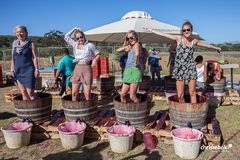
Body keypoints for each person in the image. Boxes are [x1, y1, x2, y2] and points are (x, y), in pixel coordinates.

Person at [146, 21, 221, 103]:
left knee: (192, 92)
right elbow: (164, 34)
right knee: (180, 95)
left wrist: (216, 48)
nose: (186, 32)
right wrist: (152, 31)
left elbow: (207, 45)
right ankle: (184, 111)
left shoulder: (194, 41)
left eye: (188, 29)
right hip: (180, 68)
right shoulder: (179, 39)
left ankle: (193, 113)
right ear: (182, 31)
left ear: (191, 30)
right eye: (184, 30)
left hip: (191, 68)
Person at [64, 27, 100, 101]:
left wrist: (95, 60)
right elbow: (66, 37)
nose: (80, 39)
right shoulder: (75, 44)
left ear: (84, 36)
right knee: (74, 93)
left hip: (86, 69)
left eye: (81, 37)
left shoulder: (90, 45)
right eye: (77, 38)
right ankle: (75, 109)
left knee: (87, 94)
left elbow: (98, 54)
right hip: (77, 69)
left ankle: (88, 110)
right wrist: (74, 29)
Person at [11, 25, 39, 100]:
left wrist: (36, 69)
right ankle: (28, 111)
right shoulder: (14, 44)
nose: (19, 34)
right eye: (17, 32)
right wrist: (12, 67)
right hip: (18, 70)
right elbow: (13, 57)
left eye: (21, 32)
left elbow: (34, 57)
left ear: (26, 33)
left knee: (31, 93)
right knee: (23, 92)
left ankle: (38, 108)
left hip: (28, 70)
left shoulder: (30, 44)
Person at [116, 30, 142, 103]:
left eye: (131, 37)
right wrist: (125, 47)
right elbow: (117, 50)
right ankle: (125, 112)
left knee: (132, 96)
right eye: (128, 38)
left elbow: (137, 54)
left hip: (134, 70)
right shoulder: (130, 46)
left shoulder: (137, 44)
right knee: (122, 94)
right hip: (127, 70)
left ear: (136, 37)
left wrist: (135, 62)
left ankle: (139, 110)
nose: (130, 40)